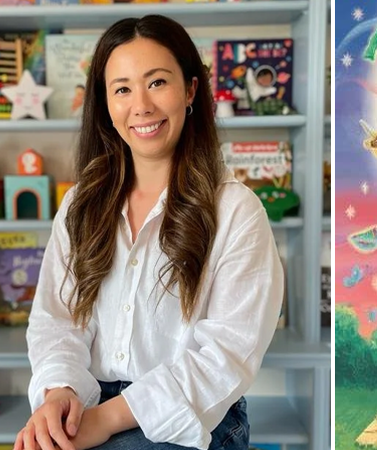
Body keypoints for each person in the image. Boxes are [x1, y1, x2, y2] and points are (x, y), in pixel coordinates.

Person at [15, 15, 283, 450]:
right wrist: (59, 391)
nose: (140, 105)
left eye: (157, 83)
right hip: (89, 400)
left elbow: (225, 356)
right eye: (122, 89)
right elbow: (57, 319)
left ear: (191, 89)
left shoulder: (236, 211)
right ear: (105, 103)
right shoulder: (81, 203)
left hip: (192, 415)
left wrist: (105, 420)